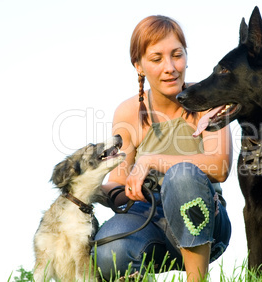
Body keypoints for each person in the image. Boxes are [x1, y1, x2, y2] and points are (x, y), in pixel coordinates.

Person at [94, 15, 232, 281]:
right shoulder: (128, 111)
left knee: (182, 175)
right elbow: (119, 182)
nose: (170, 67)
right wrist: (89, 189)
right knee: (108, 249)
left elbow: (220, 165)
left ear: (186, 56)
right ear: (139, 66)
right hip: (146, 217)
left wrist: (151, 160)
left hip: (205, 219)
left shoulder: (211, 99)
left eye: (176, 55)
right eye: (156, 59)